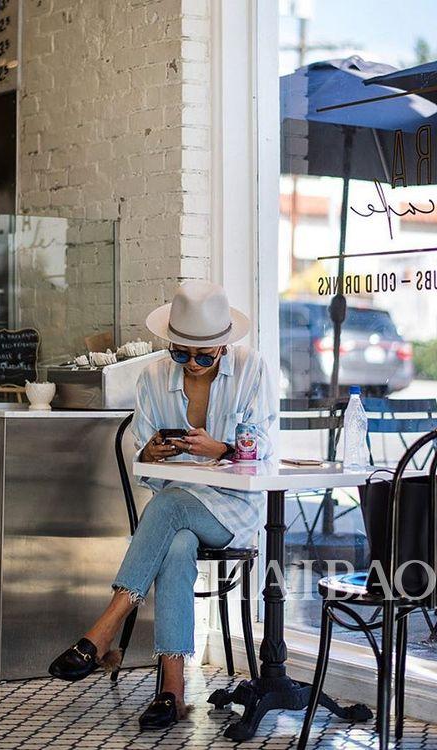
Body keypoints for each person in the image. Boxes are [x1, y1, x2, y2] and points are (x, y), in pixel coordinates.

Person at [48, 280, 276, 730]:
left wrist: (224, 450)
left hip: (233, 511)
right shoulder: (152, 377)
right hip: (173, 515)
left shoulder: (254, 371)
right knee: (173, 545)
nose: (191, 364)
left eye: (203, 356)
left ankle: (105, 628)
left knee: (168, 506)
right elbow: (147, 468)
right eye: (180, 353)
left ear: (224, 348)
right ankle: (172, 691)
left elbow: (265, 447)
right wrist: (148, 455)